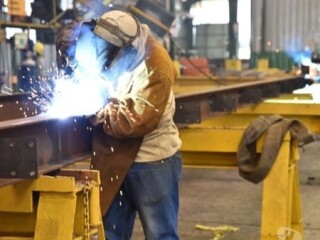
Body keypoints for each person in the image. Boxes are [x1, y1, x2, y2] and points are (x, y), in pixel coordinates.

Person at [55, 9, 182, 240]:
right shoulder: (102, 38)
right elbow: (76, 51)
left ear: (127, 46)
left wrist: (97, 111)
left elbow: (134, 121)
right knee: (109, 234)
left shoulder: (156, 66)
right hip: (112, 157)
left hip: (151, 161)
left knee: (160, 234)